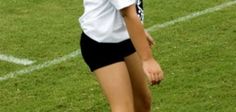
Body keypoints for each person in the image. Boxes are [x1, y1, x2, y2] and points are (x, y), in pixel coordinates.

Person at [79, 0, 164, 111]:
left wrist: (138, 29)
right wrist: (147, 59)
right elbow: (127, 13)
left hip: (126, 36)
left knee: (142, 102)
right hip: (101, 42)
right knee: (123, 108)